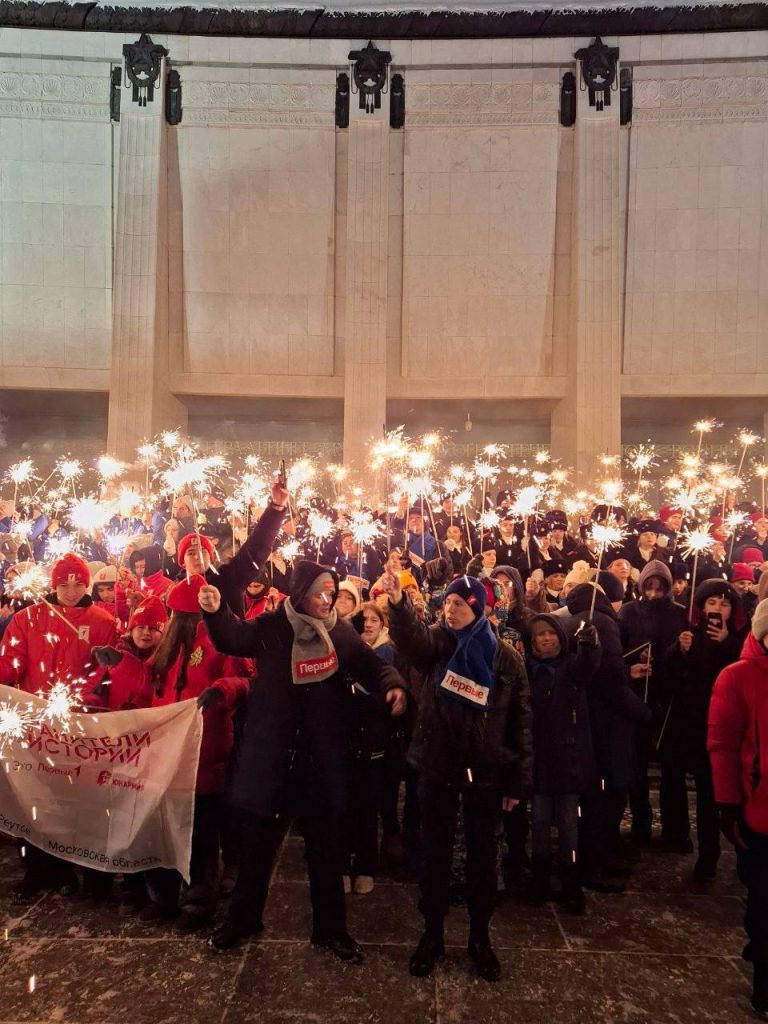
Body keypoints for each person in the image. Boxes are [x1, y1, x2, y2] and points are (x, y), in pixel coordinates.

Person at [200, 561, 406, 963]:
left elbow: (373, 666)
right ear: (299, 595)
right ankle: (242, 920)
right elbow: (232, 638)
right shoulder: (273, 627)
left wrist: (392, 686)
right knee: (257, 847)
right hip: (273, 758)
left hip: (320, 761)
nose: (327, 600)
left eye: (331, 592)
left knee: (326, 850)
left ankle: (330, 930)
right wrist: (215, 610)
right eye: (319, 593)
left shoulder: (338, 632)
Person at [383, 571, 532, 982]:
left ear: (478, 608)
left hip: (486, 772)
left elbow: (520, 724)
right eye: (447, 603)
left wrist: (517, 782)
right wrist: (398, 605)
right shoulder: (438, 643)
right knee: (435, 854)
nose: (450, 610)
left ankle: (479, 938)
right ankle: (432, 934)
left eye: (460, 605)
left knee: (484, 858)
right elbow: (411, 639)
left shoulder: (506, 659)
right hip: (438, 765)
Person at [0, 553, 118, 902]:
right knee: (33, 797)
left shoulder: (102, 621)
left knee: (68, 798)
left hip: (75, 723)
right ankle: (35, 870)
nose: (70, 590)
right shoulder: (27, 618)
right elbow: (11, 661)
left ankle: (66, 869)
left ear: (87, 585)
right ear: (53, 584)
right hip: (34, 723)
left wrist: (83, 699)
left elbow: (104, 671)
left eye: (78, 583)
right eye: (64, 583)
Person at [658, 579, 745, 880]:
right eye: (711, 603)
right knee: (680, 782)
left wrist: (727, 644)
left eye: (724, 604)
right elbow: (669, 673)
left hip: (720, 726)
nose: (717, 608)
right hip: (688, 723)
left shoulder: (739, 638)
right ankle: (681, 836)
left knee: (712, 794)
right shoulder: (690, 634)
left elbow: (740, 671)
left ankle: (713, 853)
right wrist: (679, 651)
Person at [708, 599, 768, 1019]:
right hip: (759, 810)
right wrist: (727, 802)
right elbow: (723, 744)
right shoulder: (739, 676)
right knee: (763, 898)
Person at [525, 614, 599, 915]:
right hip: (539, 760)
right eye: (540, 635)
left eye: (551, 633)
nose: (546, 638)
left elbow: (588, 665)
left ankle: (571, 882)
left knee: (569, 824)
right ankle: (540, 879)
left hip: (568, 761)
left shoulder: (570, 667)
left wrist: (589, 644)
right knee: (540, 821)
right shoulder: (528, 670)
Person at [618, 560, 688, 847]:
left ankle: (676, 831)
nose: (654, 594)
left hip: (669, 699)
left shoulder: (680, 614)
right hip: (639, 694)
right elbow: (619, 650)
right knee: (637, 767)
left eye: (660, 589)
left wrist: (678, 652)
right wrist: (634, 660)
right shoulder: (629, 611)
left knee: (673, 768)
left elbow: (686, 657)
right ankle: (641, 826)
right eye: (649, 588)